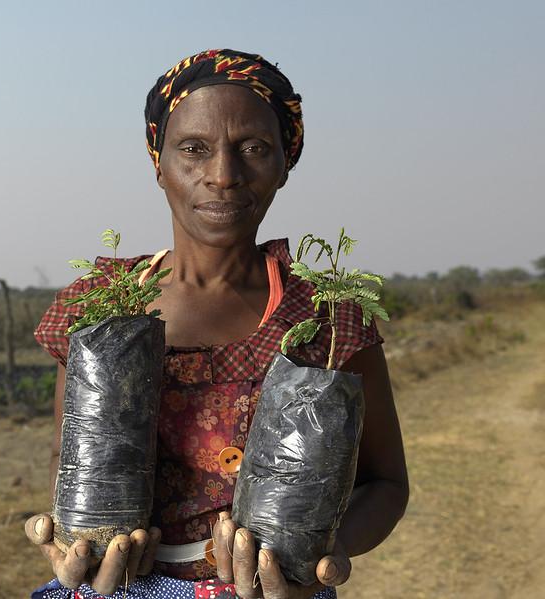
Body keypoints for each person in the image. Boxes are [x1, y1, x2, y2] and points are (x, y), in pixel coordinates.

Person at [26, 49, 408, 599]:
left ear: (284, 163)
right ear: (158, 162)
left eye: (253, 149)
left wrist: (318, 556)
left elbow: (386, 484)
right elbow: (75, 464)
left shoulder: (328, 319)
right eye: (194, 150)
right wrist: (72, 548)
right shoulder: (101, 308)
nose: (223, 176)